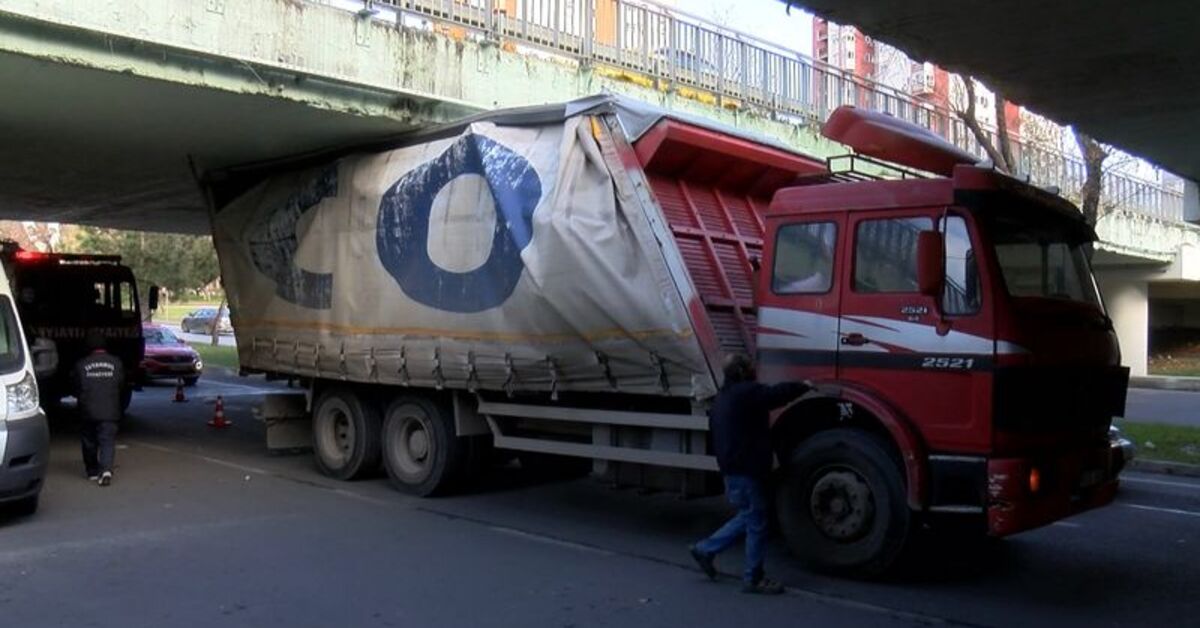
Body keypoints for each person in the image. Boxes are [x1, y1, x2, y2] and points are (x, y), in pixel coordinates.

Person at [689, 354, 812, 594]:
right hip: (746, 470)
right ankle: (753, 577)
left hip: (731, 469)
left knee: (749, 517)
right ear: (744, 371)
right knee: (756, 522)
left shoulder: (722, 398)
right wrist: (804, 386)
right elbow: (775, 395)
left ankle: (706, 550)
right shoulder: (747, 393)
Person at [74, 331, 125, 486]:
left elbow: (76, 387)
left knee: (89, 441)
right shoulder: (116, 363)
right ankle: (106, 470)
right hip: (110, 410)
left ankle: (92, 471)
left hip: (88, 410)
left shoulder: (81, 365)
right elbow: (121, 384)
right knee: (107, 441)